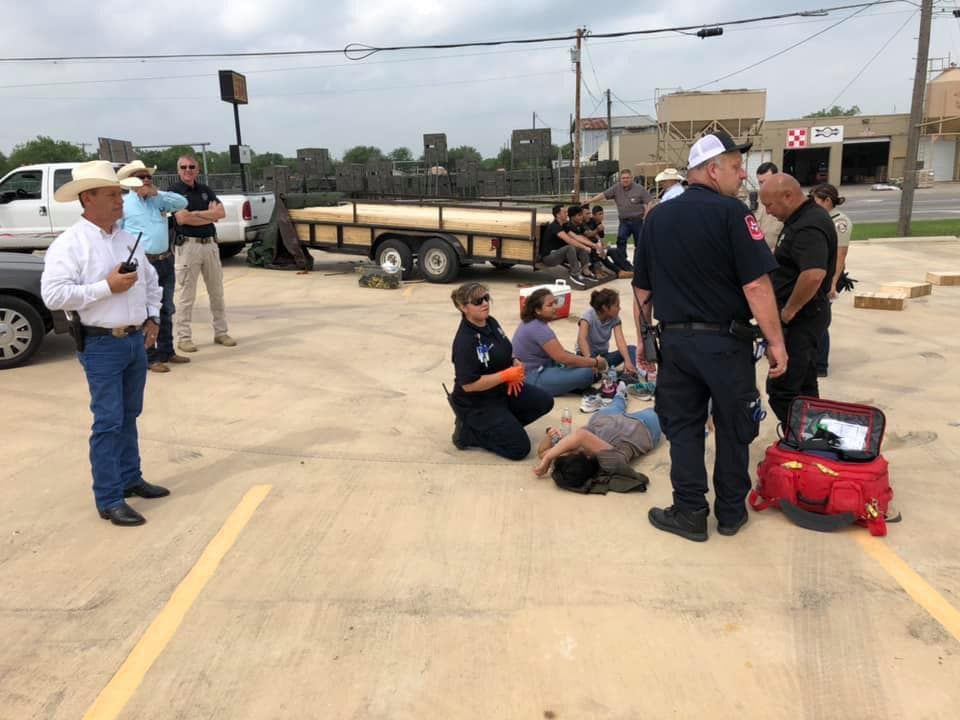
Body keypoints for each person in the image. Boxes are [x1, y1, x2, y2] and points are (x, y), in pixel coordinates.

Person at [632, 131, 787, 542]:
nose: (742, 177)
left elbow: (642, 291)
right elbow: (756, 287)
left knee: (683, 428)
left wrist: (645, 342)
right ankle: (732, 513)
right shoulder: (734, 215)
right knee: (733, 427)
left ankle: (689, 512)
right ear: (712, 169)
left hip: (677, 345)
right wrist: (776, 343)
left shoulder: (657, 218)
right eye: (737, 168)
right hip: (725, 344)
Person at [40, 161, 168, 527]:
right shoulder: (71, 244)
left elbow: (150, 281)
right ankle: (109, 497)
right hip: (101, 345)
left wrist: (153, 316)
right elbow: (53, 295)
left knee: (130, 415)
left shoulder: (127, 238)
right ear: (88, 198)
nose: (120, 200)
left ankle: (130, 478)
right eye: (112, 194)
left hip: (132, 341)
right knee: (109, 422)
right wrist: (106, 288)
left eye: (120, 194)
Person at [759, 174, 837, 425]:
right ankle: (813, 437)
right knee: (804, 385)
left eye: (770, 205)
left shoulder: (808, 224)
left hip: (801, 317)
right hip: (806, 315)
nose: (768, 212)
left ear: (788, 196)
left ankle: (801, 440)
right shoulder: (802, 219)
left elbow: (813, 275)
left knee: (782, 390)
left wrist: (788, 311)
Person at [448, 283, 553, 460]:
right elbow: (469, 385)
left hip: (501, 391)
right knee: (519, 449)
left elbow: (504, 350)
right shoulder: (465, 341)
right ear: (463, 307)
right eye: (477, 301)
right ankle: (470, 433)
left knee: (544, 401)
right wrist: (505, 375)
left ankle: (503, 425)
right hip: (478, 403)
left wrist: (514, 363)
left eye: (486, 298)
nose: (485, 303)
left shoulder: (491, 322)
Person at [118, 160, 189, 373]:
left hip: (165, 259)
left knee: (166, 307)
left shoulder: (158, 201)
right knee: (146, 310)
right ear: (131, 181)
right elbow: (118, 233)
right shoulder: (125, 204)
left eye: (149, 177)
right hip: (143, 263)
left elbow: (182, 202)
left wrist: (157, 193)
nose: (147, 180)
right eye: (141, 177)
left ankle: (168, 350)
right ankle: (150, 356)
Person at [170, 154, 236, 352]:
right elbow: (182, 219)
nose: (188, 170)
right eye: (184, 167)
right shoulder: (174, 193)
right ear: (178, 170)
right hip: (188, 247)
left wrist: (195, 214)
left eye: (192, 167)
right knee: (186, 295)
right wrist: (208, 215)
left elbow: (221, 213)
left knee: (217, 292)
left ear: (197, 169)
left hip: (210, 246)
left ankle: (221, 332)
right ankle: (184, 337)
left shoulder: (205, 190)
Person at [533, 384, 662, 480]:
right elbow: (581, 436)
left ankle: (620, 391)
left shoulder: (573, 453)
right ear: (586, 458)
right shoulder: (611, 462)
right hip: (641, 425)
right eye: (574, 452)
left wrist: (549, 438)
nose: (571, 450)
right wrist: (550, 457)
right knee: (666, 408)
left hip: (603, 420)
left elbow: (542, 453)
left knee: (617, 402)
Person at [512, 288, 608, 397]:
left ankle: (572, 384)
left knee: (584, 366)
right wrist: (594, 362)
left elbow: (561, 353)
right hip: (532, 378)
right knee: (587, 373)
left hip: (541, 370)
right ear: (537, 310)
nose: (555, 308)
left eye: (555, 303)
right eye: (550, 305)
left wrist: (588, 361)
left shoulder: (533, 323)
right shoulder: (538, 328)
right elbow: (562, 357)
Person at [809, 183, 852, 377]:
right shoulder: (820, 218)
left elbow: (841, 255)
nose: (813, 204)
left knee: (821, 321)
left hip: (830, 277)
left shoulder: (839, 222)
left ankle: (820, 365)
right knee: (813, 319)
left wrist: (833, 282)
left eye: (816, 200)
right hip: (819, 275)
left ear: (827, 201)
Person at [587, 168, 654, 258]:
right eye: (623, 178)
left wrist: (646, 215)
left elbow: (650, 202)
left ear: (631, 178)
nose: (625, 180)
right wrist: (590, 200)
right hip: (624, 221)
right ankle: (622, 260)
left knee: (640, 243)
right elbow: (604, 195)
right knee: (621, 240)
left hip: (638, 221)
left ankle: (638, 262)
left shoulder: (640, 189)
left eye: (627, 178)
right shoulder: (616, 188)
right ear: (620, 179)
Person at [575, 288, 638, 375]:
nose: (619, 308)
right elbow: (582, 339)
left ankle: (628, 374)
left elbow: (620, 341)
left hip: (603, 358)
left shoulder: (615, 318)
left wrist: (627, 361)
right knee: (586, 374)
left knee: (632, 349)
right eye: (616, 305)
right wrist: (591, 362)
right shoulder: (587, 317)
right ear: (605, 308)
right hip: (586, 357)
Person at [539, 204, 593, 289]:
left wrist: (591, 245)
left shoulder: (564, 225)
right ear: (558, 215)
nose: (567, 214)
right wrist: (585, 247)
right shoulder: (554, 226)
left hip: (558, 254)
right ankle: (575, 274)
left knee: (580, 247)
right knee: (570, 247)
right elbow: (569, 240)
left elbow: (576, 237)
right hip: (549, 258)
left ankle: (585, 271)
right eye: (564, 212)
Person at [584, 205, 633, 275]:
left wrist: (603, 245)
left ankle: (627, 267)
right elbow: (590, 235)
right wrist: (600, 244)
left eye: (602, 213)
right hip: (592, 248)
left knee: (615, 250)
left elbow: (599, 237)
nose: (602, 216)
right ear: (594, 215)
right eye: (600, 214)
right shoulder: (587, 223)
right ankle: (622, 270)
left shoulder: (597, 223)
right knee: (611, 252)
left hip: (597, 246)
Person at [754, 162, 783, 250]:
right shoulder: (754, 200)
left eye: (766, 182)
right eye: (760, 182)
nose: (763, 186)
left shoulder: (786, 201)